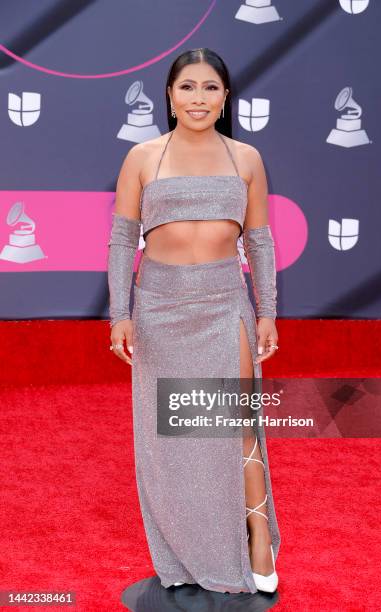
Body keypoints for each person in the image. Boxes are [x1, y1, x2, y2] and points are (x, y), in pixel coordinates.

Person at [107, 48, 281, 595]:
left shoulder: (246, 158)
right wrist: (121, 313)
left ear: (226, 97)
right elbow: (120, 240)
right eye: (188, 87)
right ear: (170, 95)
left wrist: (269, 311)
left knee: (235, 427)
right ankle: (184, 552)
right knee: (173, 438)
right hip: (158, 309)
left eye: (210, 87)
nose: (199, 98)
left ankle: (256, 537)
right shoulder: (143, 157)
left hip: (226, 304)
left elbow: (259, 242)